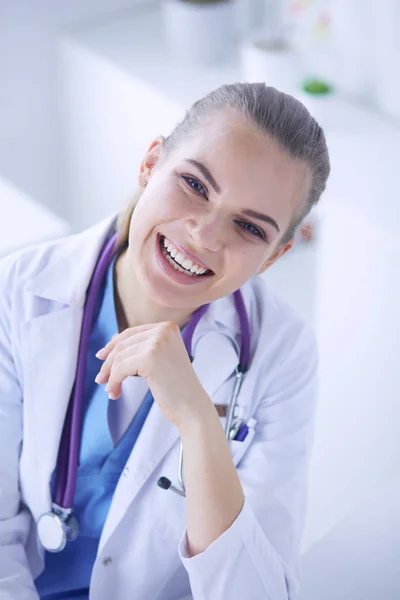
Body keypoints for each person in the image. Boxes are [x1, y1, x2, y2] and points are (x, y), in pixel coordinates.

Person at [0, 82, 330, 600]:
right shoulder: (17, 293)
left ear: (273, 257)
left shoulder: (283, 357)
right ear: (151, 163)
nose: (204, 235)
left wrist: (199, 421)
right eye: (196, 185)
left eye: (248, 227)